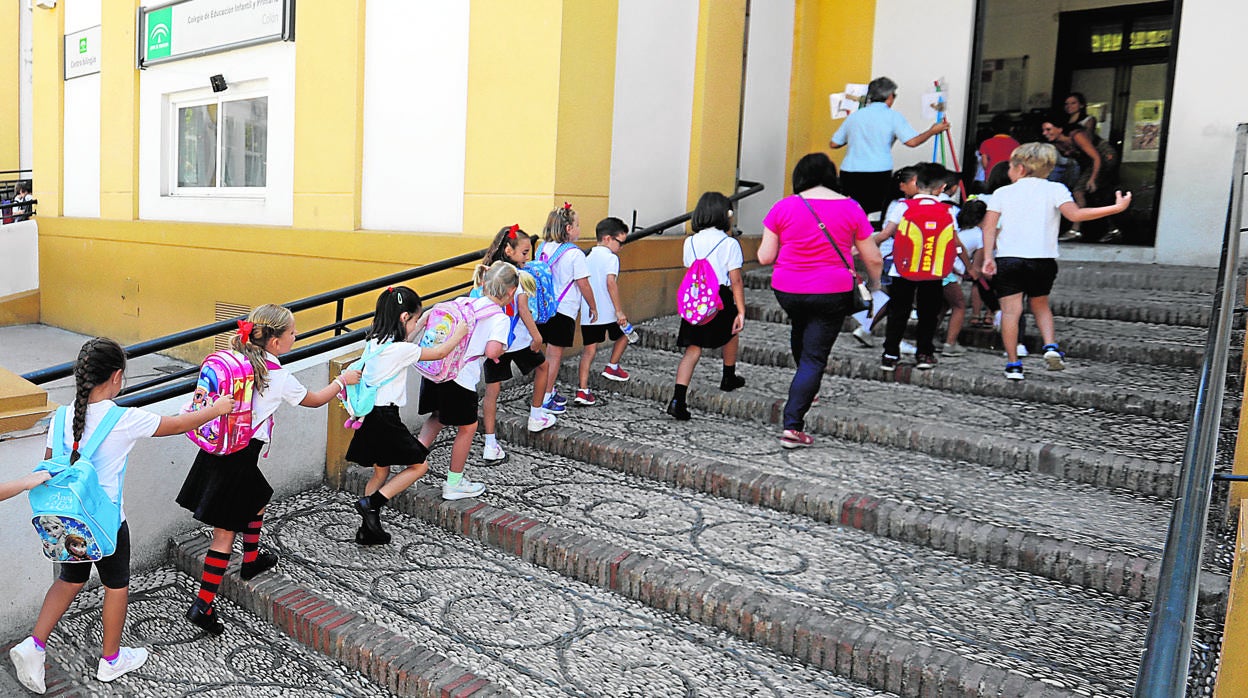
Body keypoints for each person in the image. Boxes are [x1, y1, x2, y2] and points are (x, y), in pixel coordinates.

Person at [9, 337, 234, 693]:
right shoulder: (125, 419)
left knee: (69, 579)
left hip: (70, 522)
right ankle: (111, 660)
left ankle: (34, 645)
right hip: (107, 523)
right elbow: (178, 424)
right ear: (116, 376)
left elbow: (52, 462)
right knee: (116, 585)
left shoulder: (61, 416)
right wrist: (218, 408)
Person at [179, 305, 361, 636]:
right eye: (292, 332)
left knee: (259, 497)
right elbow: (317, 399)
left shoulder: (239, 362)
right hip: (238, 458)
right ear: (275, 342)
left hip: (219, 451)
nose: (296, 336)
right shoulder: (277, 378)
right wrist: (341, 380)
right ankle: (203, 605)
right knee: (223, 535)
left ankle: (250, 561)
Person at [758, 153, 882, 447]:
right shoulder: (851, 207)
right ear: (831, 176)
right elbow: (873, 257)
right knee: (814, 357)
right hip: (831, 290)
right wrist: (876, 285)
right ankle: (793, 426)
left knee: (800, 329)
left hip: (788, 289)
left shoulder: (783, 206)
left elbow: (764, 256)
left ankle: (806, 383)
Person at [980, 143, 1132, 380]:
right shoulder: (1056, 189)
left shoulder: (1002, 193)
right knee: (1040, 305)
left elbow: (989, 227)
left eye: (1010, 166)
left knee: (1011, 312)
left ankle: (1013, 365)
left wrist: (988, 256)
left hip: (1009, 259)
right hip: (1043, 260)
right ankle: (1050, 346)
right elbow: (1076, 215)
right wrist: (1115, 208)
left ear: (1019, 168)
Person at [347, 286, 470, 545]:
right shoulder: (402, 350)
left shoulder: (375, 342)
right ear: (404, 318)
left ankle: (367, 529)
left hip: (369, 415)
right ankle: (372, 504)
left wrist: (423, 321)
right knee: (419, 465)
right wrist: (459, 333)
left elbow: (406, 341)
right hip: (386, 417)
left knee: (381, 473)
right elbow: (438, 353)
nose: (415, 324)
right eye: (414, 319)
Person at [416, 260, 517, 500]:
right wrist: (502, 347)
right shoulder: (499, 318)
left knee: (437, 417)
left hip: (436, 370)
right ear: (511, 292)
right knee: (468, 427)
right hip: (460, 378)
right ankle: (454, 483)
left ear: (484, 283)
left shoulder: (465, 302)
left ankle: (412, 465)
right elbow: (493, 352)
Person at [477, 225, 558, 466]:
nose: (528, 258)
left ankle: (490, 444)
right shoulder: (516, 276)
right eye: (524, 252)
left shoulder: (488, 271)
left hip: (496, 342)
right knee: (543, 367)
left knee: (492, 391)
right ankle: (536, 415)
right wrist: (537, 336)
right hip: (520, 341)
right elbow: (522, 308)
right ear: (509, 249)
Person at [877, 163, 965, 371]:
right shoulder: (948, 210)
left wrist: (866, 247)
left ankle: (890, 354)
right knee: (928, 313)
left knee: (899, 311)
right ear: (941, 187)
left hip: (902, 268)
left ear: (916, 183)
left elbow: (885, 234)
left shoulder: (903, 206)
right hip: (933, 270)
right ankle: (924, 354)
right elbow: (953, 241)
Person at [667, 191, 747, 421]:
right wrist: (741, 309)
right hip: (719, 296)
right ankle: (728, 375)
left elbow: (690, 269)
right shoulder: (729, 243)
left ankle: (677, 399)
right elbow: (736, 280)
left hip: (697, 297)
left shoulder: (689, 241)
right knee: (733, 330)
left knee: (693, 349)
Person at [830, 76, 951, 225]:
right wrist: (932, 131)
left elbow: (834, 143)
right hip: (878, 172)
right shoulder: (893, 117)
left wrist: (857, 137)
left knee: (851, 213)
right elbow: (912, 142)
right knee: (874, 214)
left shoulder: (854, 117)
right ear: (889, 96)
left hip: (849, 172)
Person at [533, 204, 598, 413]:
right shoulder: (575, 254)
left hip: (543, 309)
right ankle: (545, 397)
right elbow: (583, 284)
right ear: (568, 228)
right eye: (577, 225)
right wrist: (593, 306)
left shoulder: (542, 248)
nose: (579, 229)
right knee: (554, 355)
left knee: (545, 355)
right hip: (564, 310)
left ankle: (545, 392)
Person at [574, 217, 632, 406]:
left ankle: (583, 390)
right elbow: (610, 283)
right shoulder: (611, 258)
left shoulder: (586, 256)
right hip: (608, 311)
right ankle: (612, 366)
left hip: (590, 312)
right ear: (608, 238)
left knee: (589, 351)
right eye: (620, 242)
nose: (621, 247)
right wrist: (619, 311)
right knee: (626, 334)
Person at [1042, 117, 1121, 242]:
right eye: (1043, 130)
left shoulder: (1077, 136)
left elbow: (1096, 158)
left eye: (1048, 129)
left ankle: (1075, 230)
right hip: (1093, 163)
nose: (1045, 133)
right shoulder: (1058, 144)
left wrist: (1093, 179)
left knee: (1079, 191)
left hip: (1104, 157)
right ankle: (1113, 230)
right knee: (1094, 195)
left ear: (1060, 129)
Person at [942, 198, 989, 357]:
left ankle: (931, 337)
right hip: (951, 275)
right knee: (959, 306)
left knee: (943, 306)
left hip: (939, 272)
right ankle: (950, 343)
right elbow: (977, 266)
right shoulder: (979, 235)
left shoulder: (956, 230)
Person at [977, 114, 1019, 186]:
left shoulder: (986, 143)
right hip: (1009, 180)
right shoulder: (1016, 144)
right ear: (1011, 128)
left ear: (992, 128)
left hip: (991, 180)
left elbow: (985, 164)